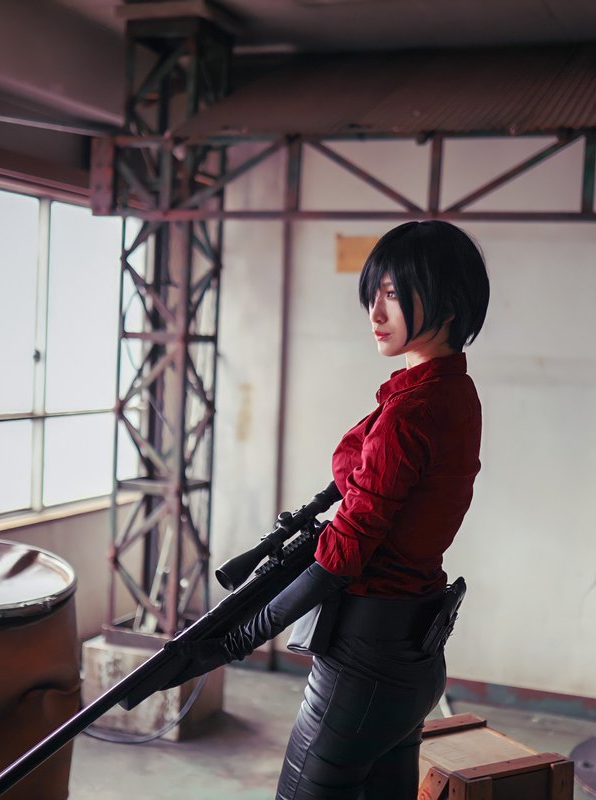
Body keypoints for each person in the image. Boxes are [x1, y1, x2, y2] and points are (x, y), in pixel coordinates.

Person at [167, 219, 490, 799]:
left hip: (362, 665)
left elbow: (345, 550)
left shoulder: (411, 411)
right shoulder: (453, 393)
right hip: (413, 655)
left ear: (448, 301)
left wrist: (236, 638)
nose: (375, 312)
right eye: (374, 294)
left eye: (393, 294)